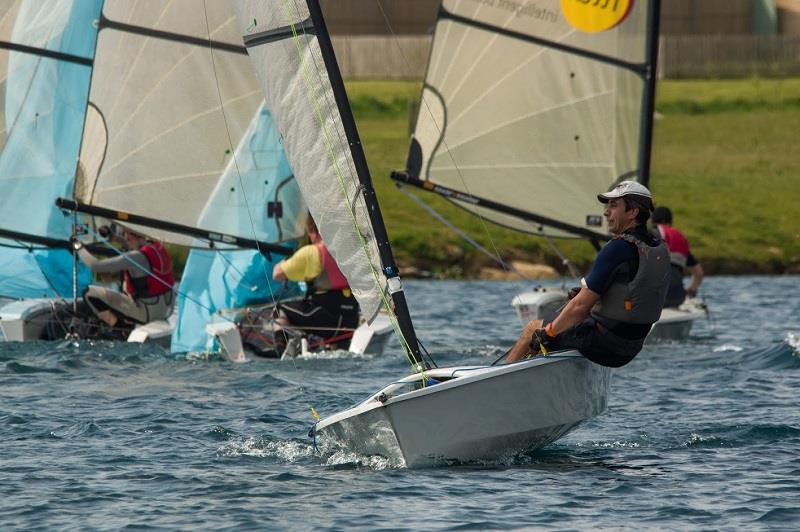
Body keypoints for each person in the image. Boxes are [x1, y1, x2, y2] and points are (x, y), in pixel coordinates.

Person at [506, 180, 670, 368]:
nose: (606, 212)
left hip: (606, 345)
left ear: (632, 212)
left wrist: (548, 333)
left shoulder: (617, 248)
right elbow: (633, 289)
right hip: (632, 347)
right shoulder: (656, 245)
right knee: (561, 327)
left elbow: (579, 307)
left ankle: (496, 382)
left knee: (533, 330)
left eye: (614, 206)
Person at [266, 214, 359, 355]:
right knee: (306, 311)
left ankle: (281, 348)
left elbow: (277, 274)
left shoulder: (312, 252)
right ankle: (333, 345)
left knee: (279, 309)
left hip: (327, 316)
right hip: (351, 317)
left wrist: (282, 263)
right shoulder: (345, 252)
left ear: (313, 232)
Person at [71, 225, 175, 331]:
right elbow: (134, 245)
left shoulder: (135, 257)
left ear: (137, 235)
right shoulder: (158, 247)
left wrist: (78, 247)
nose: (125, 238)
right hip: (167, 309)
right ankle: (124, 323)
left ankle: (121, 329)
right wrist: (114, 237)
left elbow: (95, 266)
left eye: (127, 235)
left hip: (148, 313)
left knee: (89, 292)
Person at [651, 206, 703, 307]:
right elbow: (699, 273)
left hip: (655, 300)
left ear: (653, 221)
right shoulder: (681, 239)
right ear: (669, 221)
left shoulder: (652, 234)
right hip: (678, 297)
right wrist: (691, 290)